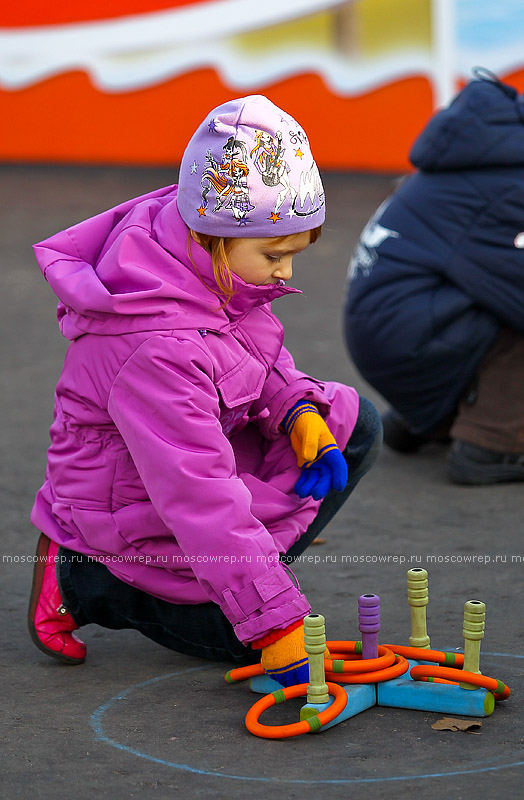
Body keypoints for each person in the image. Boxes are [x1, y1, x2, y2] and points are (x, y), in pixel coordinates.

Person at [28, 95, 382, 686]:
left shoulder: (209, 266)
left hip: (185, 477)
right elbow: (198, 492)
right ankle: (82, 575)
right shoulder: (154, 346)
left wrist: (294, 408)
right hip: (129, 511)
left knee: (352, 423)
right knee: (245, 639)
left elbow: (256, 356)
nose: (286, 273)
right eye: (274, 255)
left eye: (294, 254)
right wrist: (274, 625)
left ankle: (246, 582)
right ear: (212, 237)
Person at [343, 70, 524, 486]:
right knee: (512, 309)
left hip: (381, 337)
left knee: (482, 285)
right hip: (403, 343)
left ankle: (426, 419)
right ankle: (494, 442)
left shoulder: (478, 161)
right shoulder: (508, 187)